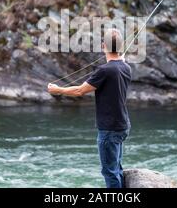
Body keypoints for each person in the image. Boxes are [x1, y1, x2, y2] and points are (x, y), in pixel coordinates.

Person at [47, 28, 132, 188]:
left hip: (109, 128)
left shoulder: (105, 70)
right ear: (121, 47)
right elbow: (119, 66)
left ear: (103, 46)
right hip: (122, 126)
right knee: (116, 169)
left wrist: (58, 90)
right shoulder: (126, 68)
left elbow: (80, 90)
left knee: (110, 172)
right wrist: (120, 59)